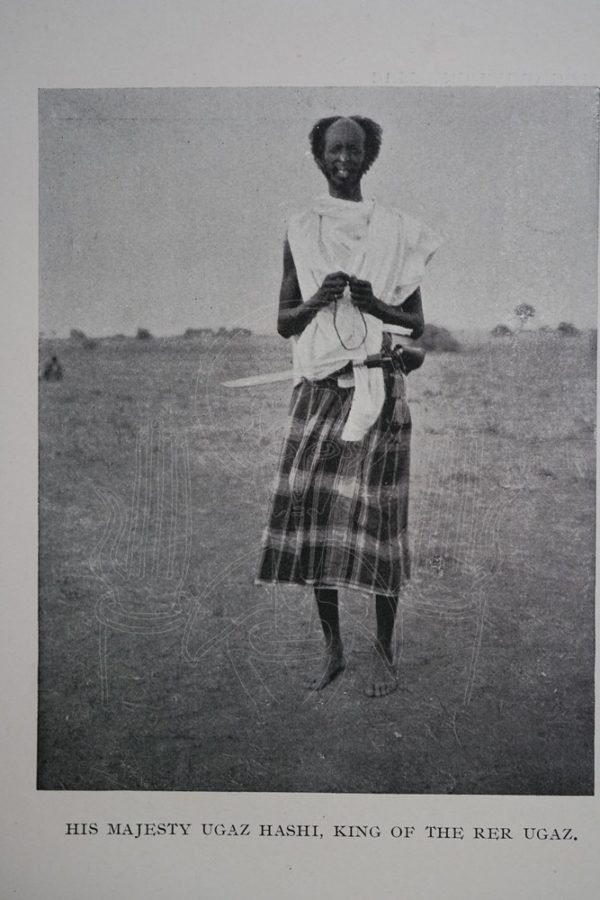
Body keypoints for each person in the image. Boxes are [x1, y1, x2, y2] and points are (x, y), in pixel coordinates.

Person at [256, 116, 441, 697]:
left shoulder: (396, 231)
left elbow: (417, 328)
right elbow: (285, 323)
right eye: (334, 149)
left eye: (354, 149)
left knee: (379, 527)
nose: (344, 158)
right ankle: (333, 649)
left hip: (377, 393)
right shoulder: (301, 228)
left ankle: (384, 652)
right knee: (315, 524)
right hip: (318, 395)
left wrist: (375, 302)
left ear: (369, 157)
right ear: (319, 156)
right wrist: (318, 300)